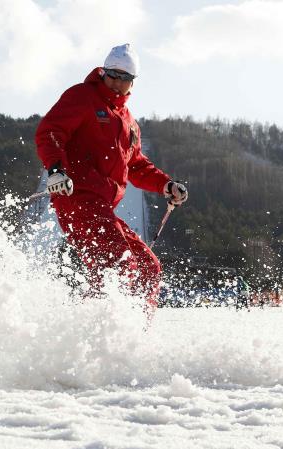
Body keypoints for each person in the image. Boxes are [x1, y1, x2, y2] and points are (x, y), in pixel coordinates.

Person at [35, 44, 188, 307]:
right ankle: (94, 324)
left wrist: (166, 184)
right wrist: (56, 170)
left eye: (124, 78)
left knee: (148, 268)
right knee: (119, 263)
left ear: (133, 82)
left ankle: (134, 328)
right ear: (103, 72)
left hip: (102, 207)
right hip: (77, 197)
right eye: (112, 75)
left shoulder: (128, 122)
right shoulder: (83, 96)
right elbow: (50, 132)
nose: (116, 83)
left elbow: (136, 165)